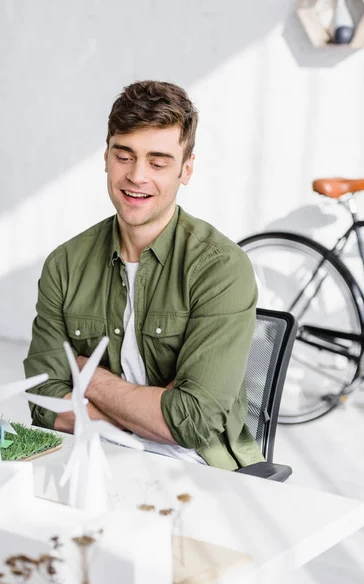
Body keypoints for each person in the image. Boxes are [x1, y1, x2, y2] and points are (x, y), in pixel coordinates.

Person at [24, 80, 264, 470]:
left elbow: (193, 422)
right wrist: (151, 413)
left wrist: (89, 376)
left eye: (158, 162)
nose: (137, 176)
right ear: (105, 157)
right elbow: (43, 403)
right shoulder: (65, 264)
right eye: (124, 156)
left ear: (186, 169)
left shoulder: (221, 267)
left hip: (198, 470)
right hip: (93, 459)